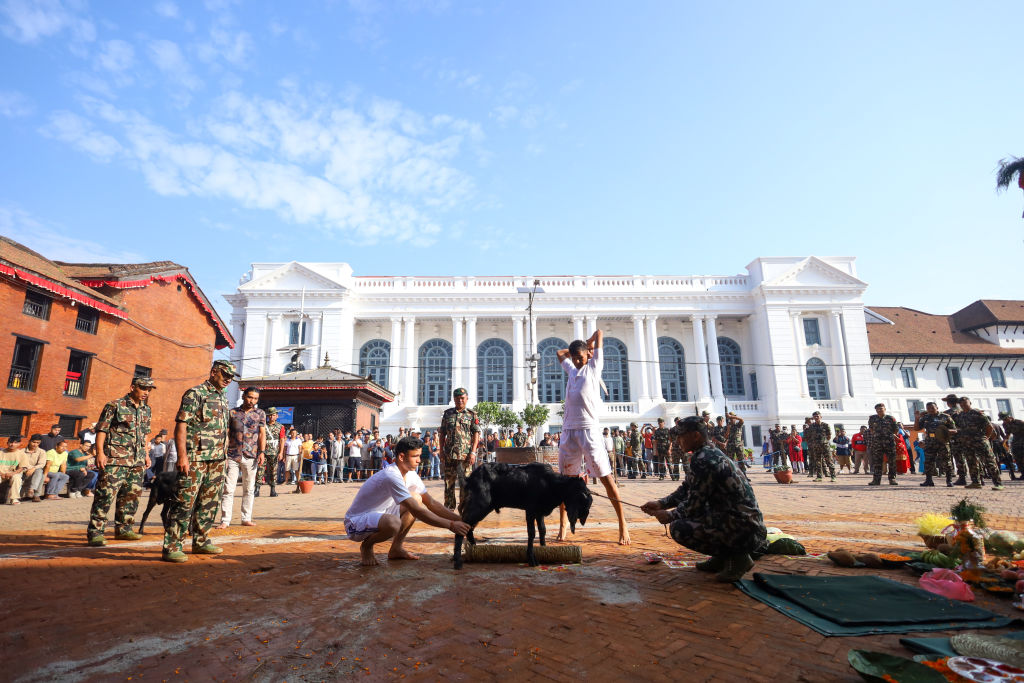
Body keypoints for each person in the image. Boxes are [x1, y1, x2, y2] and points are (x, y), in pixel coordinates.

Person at [640, 416, 767, 583]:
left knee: (679, 527)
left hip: (745, 530)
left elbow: (694, 505)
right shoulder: (707, 453)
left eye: (681, 436)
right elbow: (687, 489)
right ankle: (722, 557)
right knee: (696, 516)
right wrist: (661, 503)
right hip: (746, 524)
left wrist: (669, 515)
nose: (678, 441)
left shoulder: (704, 460)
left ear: (695, 436)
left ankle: (738, 559)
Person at [343, 436, 471, 566]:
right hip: (356, 522)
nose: (419, 460)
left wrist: (460, 520)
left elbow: (431, 503)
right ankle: (367, 546)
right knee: (394, 523)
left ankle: (396, 549)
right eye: (415, 456)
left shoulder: (411, 474)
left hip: (382, 514)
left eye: (419, 456)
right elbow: (418, 511)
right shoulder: (391, 475)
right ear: (401, 457)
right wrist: (451, 525)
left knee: (416, 498)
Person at [555, 330, 630, 545]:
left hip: (589, 430)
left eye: (581, 357)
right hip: (569, 431)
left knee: (606, 478)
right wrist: (573, 351)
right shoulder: (571, 369)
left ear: (588, 355)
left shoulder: (594, 367)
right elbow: (559, 354)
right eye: (575, 357)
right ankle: (563, 525)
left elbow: (600, 332)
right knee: (565, 481)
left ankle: (622, 524)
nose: (577, 361)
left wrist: (589, 344)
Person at [161, 360, 237, 563]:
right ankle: (172, 546)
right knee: (184, 502)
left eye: (231, 377)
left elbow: (224, 429)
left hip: (217, 459)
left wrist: (224, 455)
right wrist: (182, 456)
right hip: (195, 458)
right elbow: (181, 425)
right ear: (214, 372)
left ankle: (201, 541)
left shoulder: (222, 397)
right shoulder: (195, 393)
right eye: (225, 375)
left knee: (209, 503)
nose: (228, 379)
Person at [87, 376, 155, 545]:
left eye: (149, 389)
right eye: (143, 388)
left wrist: (146, 454)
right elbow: (102, 430)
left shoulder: (146, 409)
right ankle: (96, 532)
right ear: (133, 387)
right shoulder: (115, 405)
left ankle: (124, 529)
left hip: (137, 461)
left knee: (131, 496)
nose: (146, 392)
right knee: (105, 495)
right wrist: (100, 453)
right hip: (115, 459)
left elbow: (144, 434)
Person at [218, 386, 266, 528]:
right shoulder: (232, 413)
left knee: (249, 489)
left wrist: (262, 452)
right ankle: (225, 520)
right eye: (250, 397)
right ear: (244, 396)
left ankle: (246, 518)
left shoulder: (260, 414)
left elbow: (262, 434)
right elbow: (226, 433)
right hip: (232, 455)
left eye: (255, 398)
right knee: (228, 488)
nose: (252, 401)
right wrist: (224, 454)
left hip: (251, 456)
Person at [438, 388, 481, 513]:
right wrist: (441, 452)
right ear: (454, 399)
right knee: (448, 484)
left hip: (465, 456)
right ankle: (449, 509)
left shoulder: (472, 414)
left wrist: (473, 452)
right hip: (449, 455)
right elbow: (442, 434)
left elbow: (476, 434)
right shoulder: (448, 414)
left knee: (465, 484)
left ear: (467, 399)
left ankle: (464, 509)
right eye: (457, 398)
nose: (460, 400)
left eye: (462, 398)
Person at [957, 397, 1003, 490]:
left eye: (965, 403)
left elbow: (989, 427)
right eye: (961, 404)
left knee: (989, 462)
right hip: (967, 443)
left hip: (980, 442)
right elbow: (960, 428)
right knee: (972, 462)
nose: (963, 405)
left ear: (970, 402)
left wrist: (986, 437)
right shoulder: (960, 415)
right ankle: (975, 482)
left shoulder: (977, 413)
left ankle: (998, 483)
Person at [867, 403, 899, 486]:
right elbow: (871, 429)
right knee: (877, 462)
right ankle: (876, 480)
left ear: (885, 409)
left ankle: (892, 479)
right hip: (877, 443)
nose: (879, 410)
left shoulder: (890, 418)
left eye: (881, 408)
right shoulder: (872, 418)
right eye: (877, 409)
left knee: (892, 462)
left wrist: (887, 435)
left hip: (889, 443)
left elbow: (896, 430)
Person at [255, 407, 283, 496]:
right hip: (263, 452)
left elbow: (282, 440)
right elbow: (259, 437)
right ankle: (257, 489)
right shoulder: (263, 425)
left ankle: (273, 490)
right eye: (270, 415)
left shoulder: (280, 427)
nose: (271, 417)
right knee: (260, 470)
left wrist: (281, 452)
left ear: (277, 416)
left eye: (273, 415)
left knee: (273, 471)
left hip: (274, 452)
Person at [943, 394, 968, 486]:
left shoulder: (947, 413)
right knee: (972, 457)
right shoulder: (964, 410)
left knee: (959, 458)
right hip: (968, 437)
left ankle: (962, 477)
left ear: (948, 403)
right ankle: (979, 478)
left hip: (955, 437)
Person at [805, 412, 835, 482]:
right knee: (817, 462)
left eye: (817, 416)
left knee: (829, 461)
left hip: (825, 446)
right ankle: (819, 477)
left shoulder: (825, 425)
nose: (816, 418)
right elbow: (808, 436)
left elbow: (829, 436)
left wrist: (823, 441)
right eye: (814, 416)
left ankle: (833, 476)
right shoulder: (811, 426)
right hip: (816, 447)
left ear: (821, 417)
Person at [19, 434, 48, 502]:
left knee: (40, 472)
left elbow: (42, 464)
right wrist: (29, 469)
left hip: (35, 471)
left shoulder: (42, 452)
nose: (35, 444)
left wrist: (33, 469)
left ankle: (32, 489)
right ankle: (36, 495)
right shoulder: (22, 451)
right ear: (29, 441)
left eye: (37, 443)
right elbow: (21, 463)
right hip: (24, 471)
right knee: (41, 474)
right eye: (34, 442)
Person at [0, 436, 26, 505]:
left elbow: (21, 468)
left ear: (19, 444)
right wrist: (1, 473)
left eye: (15, 443)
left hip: (13, 473)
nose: (12, 444)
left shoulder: (22, 454)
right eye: (10, 442)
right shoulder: (1, 452)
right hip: (1, 473)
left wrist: (12, 473)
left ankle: (14, 499)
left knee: (17, 478)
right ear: (7, 443)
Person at [1000, 412, 1024, 480]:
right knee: (1017, 458)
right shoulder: (1005, 424)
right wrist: (1004, 441)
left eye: (1005, 419)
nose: (1004, 421)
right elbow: (1007, 434)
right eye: (1002, 419)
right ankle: (1023, 474)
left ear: (1009, 417)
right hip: (1016, 442)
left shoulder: (1020, 422)